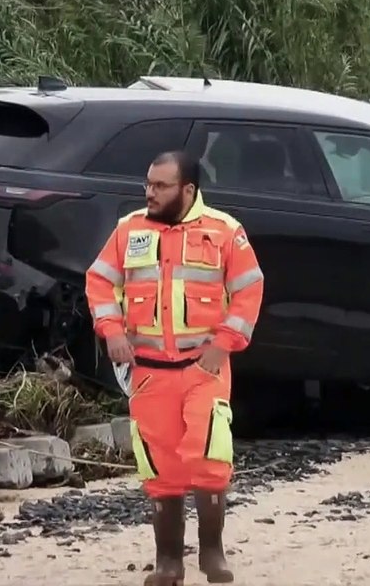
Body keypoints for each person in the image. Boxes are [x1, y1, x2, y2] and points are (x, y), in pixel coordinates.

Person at [85, 150, 265, 585]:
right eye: (148, 184)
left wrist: (223, 345)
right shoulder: (129, 229)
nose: (150, 193)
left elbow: (249, 290)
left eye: (161, 186)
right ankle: (168, 562)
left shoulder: (225, 231)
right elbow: (100, 281)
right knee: (159, 467)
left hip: (204, 369)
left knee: (210, 456)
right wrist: (111, 330)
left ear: (188, 189)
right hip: (149, 372)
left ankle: (212, 553)